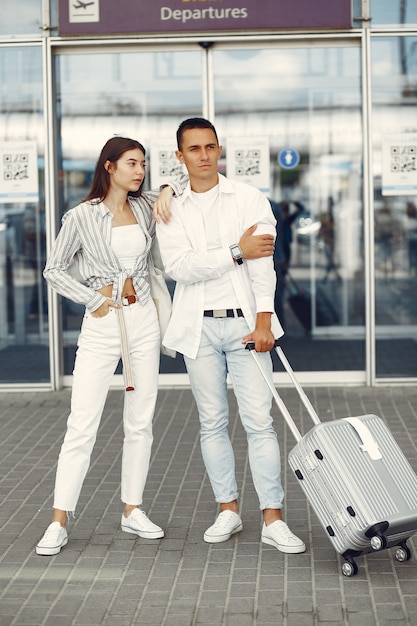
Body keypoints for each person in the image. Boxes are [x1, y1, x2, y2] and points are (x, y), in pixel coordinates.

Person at [156, 118, 305, 554]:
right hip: (197, 327)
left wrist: (263, 322)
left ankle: (272, 519)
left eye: (210, 147)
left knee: (259, 422)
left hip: (245, 325)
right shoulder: (170, 206)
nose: (203, 155)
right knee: (212, 422)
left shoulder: (250, 198)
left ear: (220, 150)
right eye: (194, 149)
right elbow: (179, 267)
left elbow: (264, 264)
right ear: (179, 156)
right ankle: (228, 510)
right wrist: (235, 252)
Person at [36, 136, 186, 556]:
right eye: (132, 164)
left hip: (142, 323)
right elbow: (53, 269)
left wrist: (171, 189)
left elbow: (186, 184)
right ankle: (58, 521)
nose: (140, 172)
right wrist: (93, 298)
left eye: (143, 165)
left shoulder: (145, 206)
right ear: (109, 166)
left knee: (140, 422)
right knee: (82, 424)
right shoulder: (82, 216)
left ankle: (132, 510)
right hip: (102, 325)